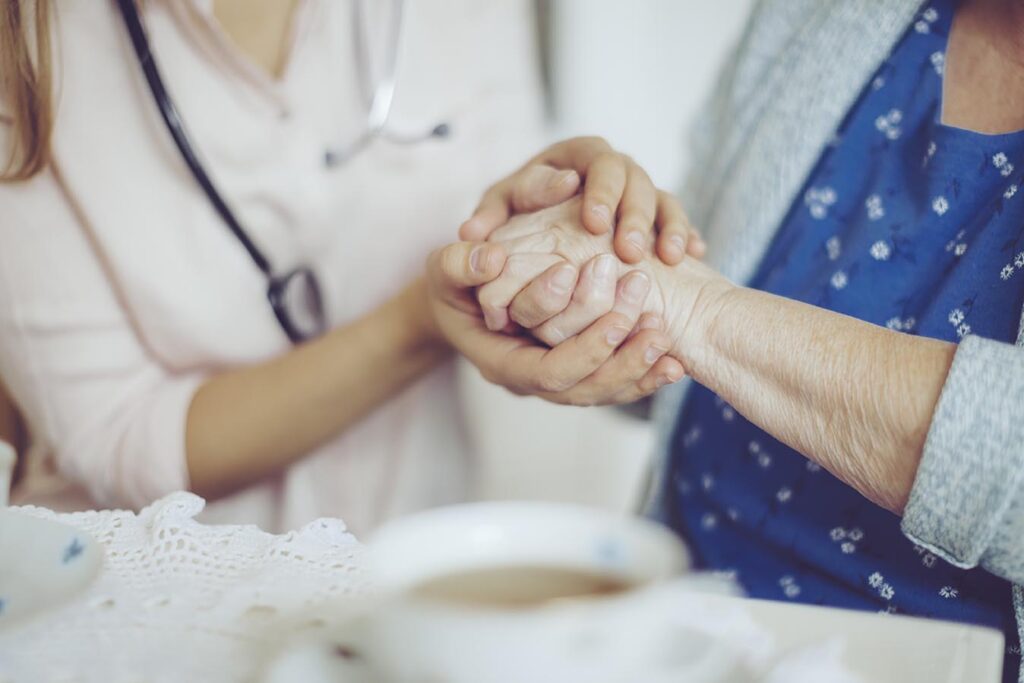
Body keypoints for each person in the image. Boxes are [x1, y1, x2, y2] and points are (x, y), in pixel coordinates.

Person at [429, 0, 1024, 680]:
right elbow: (690, 344)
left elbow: (697, 306)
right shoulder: (817, 16)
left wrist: (691, 305)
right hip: (676, 624)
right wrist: (582, 261)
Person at [0, 0, 699, 533]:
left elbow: (503, 232)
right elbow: (117, 439)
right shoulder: (27, 40)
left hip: (409, 573)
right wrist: (422, 320)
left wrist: (564, 220)